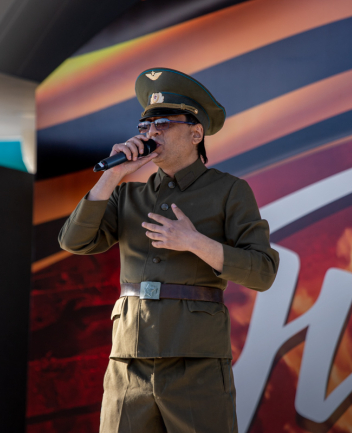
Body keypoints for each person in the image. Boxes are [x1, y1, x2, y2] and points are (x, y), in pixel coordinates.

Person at [59, 68, 279, 433]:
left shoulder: (229, 191)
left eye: (163, 123)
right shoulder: (127, 193)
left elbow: (263, 271)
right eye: (145, 125)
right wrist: (111, 176)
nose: (151, 132)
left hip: (195, 360)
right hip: (128, 359)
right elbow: (73, 241)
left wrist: (195, 242)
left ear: (196, 134)